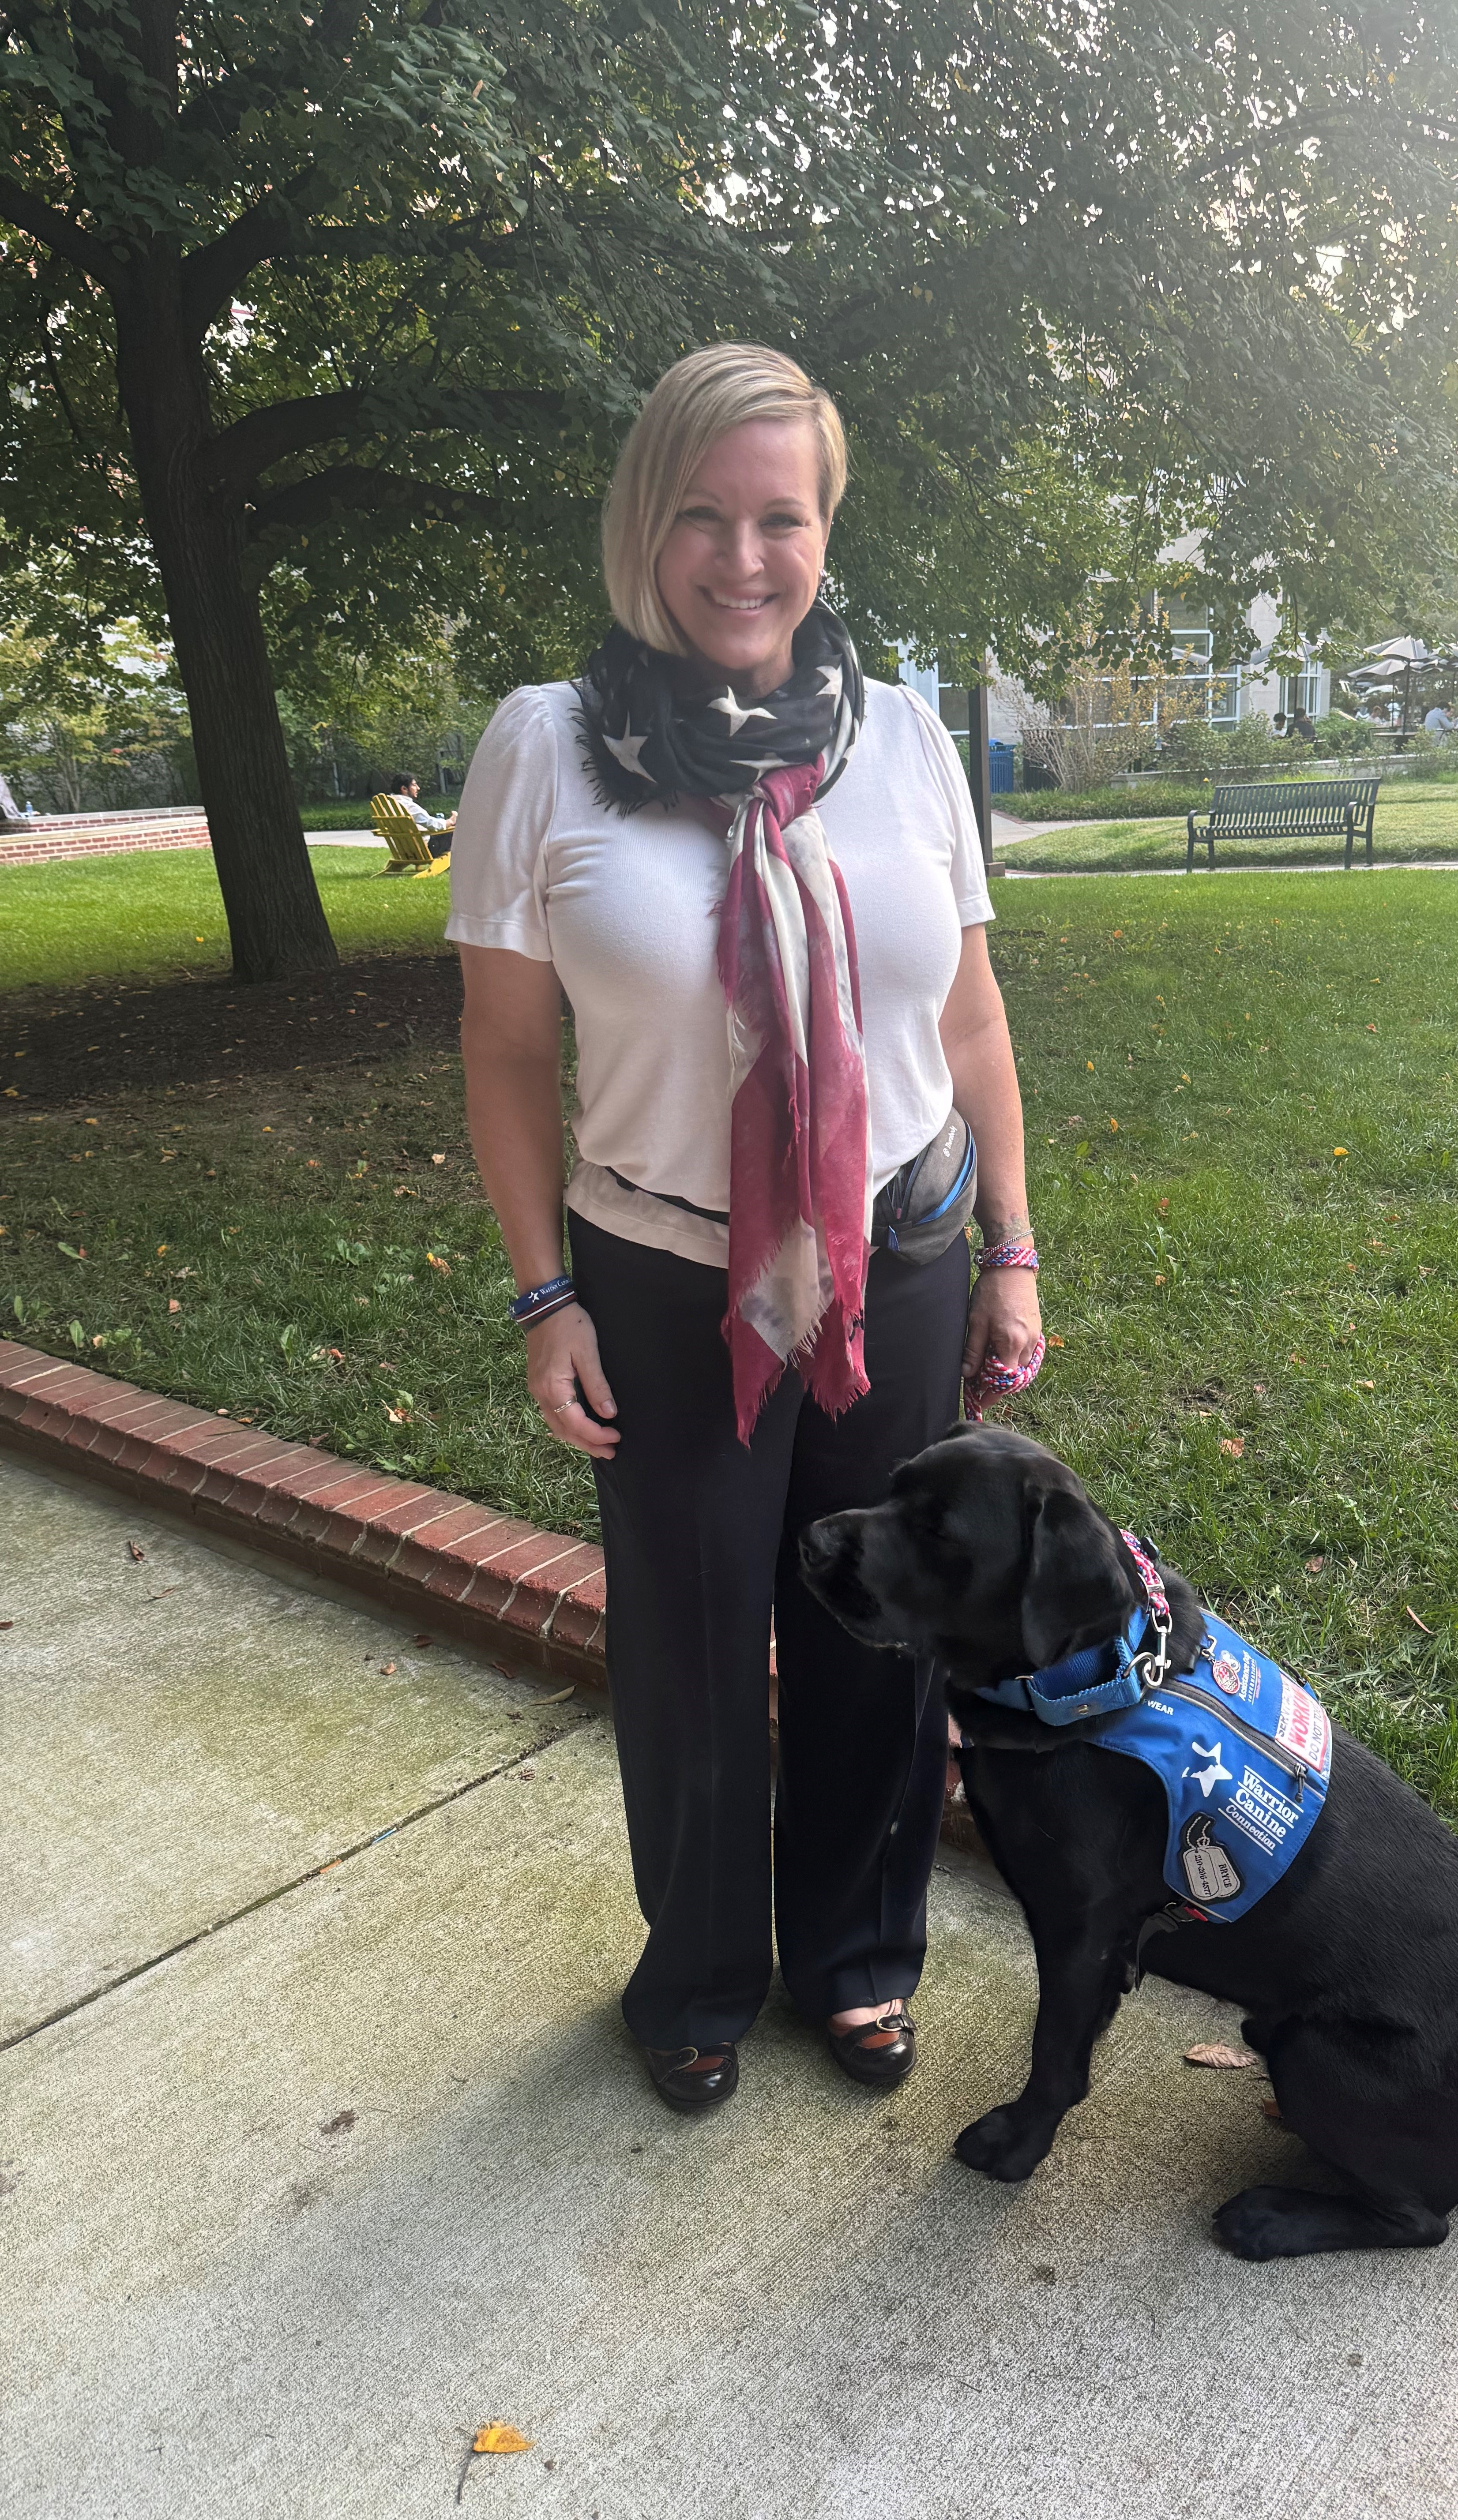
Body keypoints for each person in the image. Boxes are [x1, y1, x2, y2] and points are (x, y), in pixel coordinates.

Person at [447, 343, 1041, 2119]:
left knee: (881, 1626)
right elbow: (499, 1051)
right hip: (661, 1266)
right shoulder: (546, 747)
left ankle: (858, 1955)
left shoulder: (907, 739)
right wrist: (544, 1293)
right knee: (697, 1640)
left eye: (780, 515)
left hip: (904, 1250)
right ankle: (700, 1970)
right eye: (701, 515)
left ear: (824, 526)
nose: (743, 556)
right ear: (646, 524)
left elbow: (974, 1022)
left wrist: (1013, 1247)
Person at [384, 773, 456, 856]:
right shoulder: (409, 806)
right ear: (404, 789)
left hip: (402, 851)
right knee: (454, 831)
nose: (418, 788)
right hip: (423, 851)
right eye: (414, 785)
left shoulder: (388, 806)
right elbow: (432, 824)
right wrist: (450, 821)